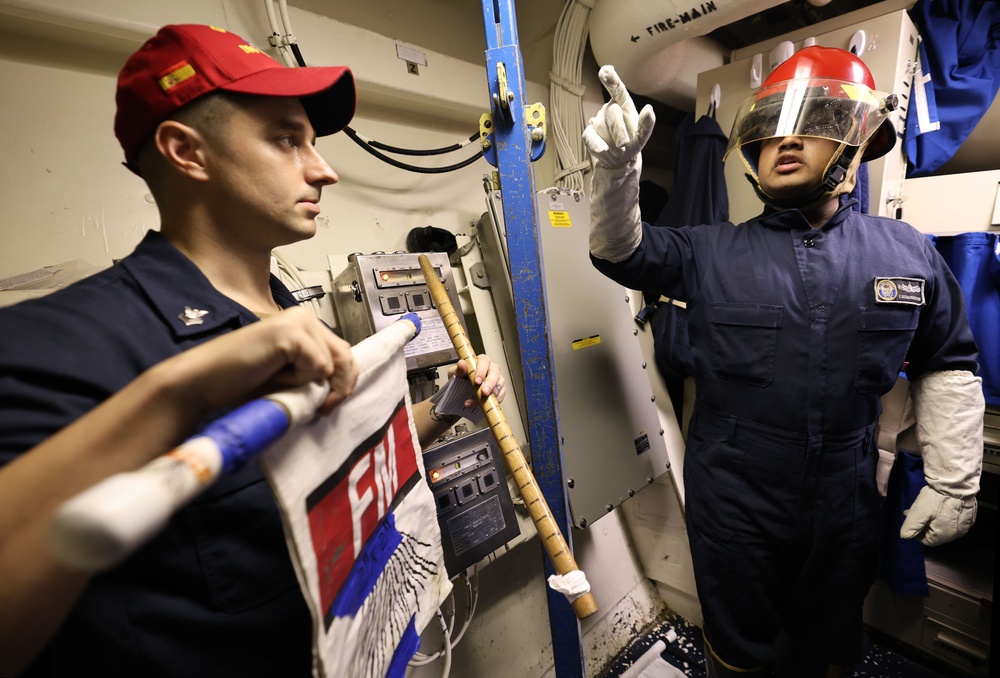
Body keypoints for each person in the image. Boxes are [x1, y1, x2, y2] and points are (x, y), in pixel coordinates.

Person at [0, 24, 504, 677]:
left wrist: (442, 409)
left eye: (314, 143)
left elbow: (327, 469)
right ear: (187, 152)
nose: (323, 169)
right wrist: (183, 391)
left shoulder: (298, 317)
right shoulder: (63, 343)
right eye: (286, 140)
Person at [583, 46, 984, 678]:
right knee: (738, 651)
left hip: (846, 498)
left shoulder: (906, 253)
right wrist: (616, 176)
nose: (785, 141)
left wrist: (954, 476)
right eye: (770, 130)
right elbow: (620, 252)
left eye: (815, 123)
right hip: (736, 499)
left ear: (855, 142)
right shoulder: (708, 251)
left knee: (828, 645)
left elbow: (947, 358)